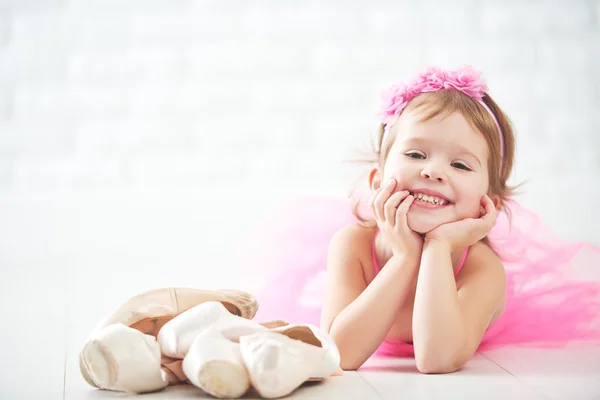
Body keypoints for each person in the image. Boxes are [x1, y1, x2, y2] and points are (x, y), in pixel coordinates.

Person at [241, 66, 600, 374]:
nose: (433, 171)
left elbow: (437, 359)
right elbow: (339, 354)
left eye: (459, 164)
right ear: (377, 181)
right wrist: (404, 258)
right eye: (415, 154)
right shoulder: (353, 244)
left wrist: (438, 248)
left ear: (485, 204)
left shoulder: (482, 268)